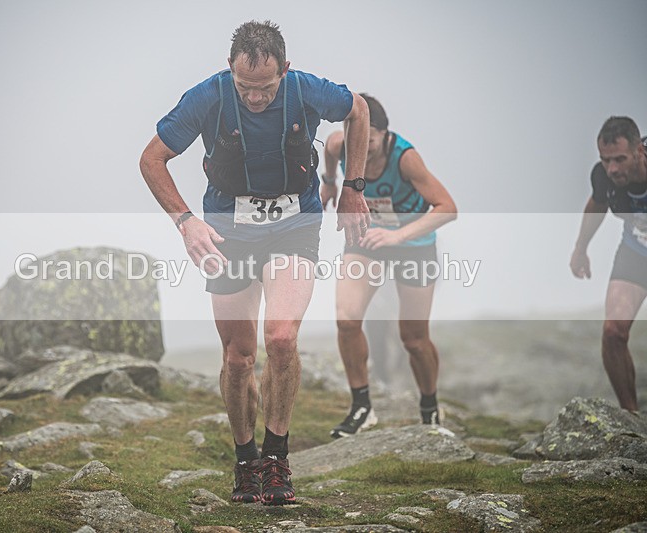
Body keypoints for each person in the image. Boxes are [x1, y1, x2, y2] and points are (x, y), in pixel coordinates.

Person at [140, 20, 370, 505]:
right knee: (238, 358)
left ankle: (276, 459)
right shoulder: (207, 96)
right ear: (230, 70)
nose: (256, 97)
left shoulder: (306, 89)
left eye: (265, 88)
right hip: (228, 231)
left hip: (295, 224)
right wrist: (186, 222)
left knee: (282, 338)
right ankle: (245, 461)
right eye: (245, 87)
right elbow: (151, 159)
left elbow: (359, 110)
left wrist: (353, 188)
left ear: (283, 71)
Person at [320, 94, 457, 438]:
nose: (362, 151)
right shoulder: (340, 144)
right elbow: (331, 154)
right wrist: (330, 182)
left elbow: (447, 207)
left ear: (383, 133)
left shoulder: (405, 159)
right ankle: (361, 407)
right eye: (357, 143)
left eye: (370, 142)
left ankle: (429, 409)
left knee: (413, 338)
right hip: (366, 241)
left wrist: (399, 236)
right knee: (346, 318)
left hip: (414, 246)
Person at [570, 116, 647, 412]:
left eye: (620, 159)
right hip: (637, 251)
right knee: (613, 332)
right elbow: (598, 204)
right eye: (606, 160)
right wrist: (580, 249)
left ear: (639, 150)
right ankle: (631, 419)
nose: (613, 168)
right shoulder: (603, 176)